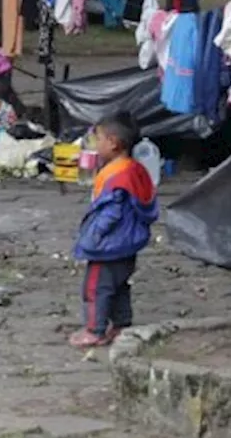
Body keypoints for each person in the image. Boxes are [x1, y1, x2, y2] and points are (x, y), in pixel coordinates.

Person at [69, 113, 159, 348]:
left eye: (98, 139)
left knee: (95, 288)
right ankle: (121, 324)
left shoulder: (116, 176)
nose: (95, 145)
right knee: (119, 286)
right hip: (127, 244)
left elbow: (111, 212)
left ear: (113, 143)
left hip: (109, 246)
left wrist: (94, 236)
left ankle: (94, 330)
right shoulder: (134, 170)